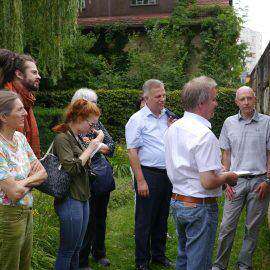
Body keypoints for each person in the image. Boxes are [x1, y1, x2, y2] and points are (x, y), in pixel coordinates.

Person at [164, 76, 238, 270]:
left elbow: (188, 165)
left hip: (178, 201)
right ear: (201, 103)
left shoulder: (174, 128)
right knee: (198, 264)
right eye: (214, 99)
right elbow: (208, 181)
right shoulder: (204, 135)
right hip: (199, 207)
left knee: (183, 258)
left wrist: (216, 171)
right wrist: (228, 177)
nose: (216, 103)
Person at [212, 86, 270, 270]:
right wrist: (224, 180)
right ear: (236, 102)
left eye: (249, 98)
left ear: (255, 100)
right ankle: (219, 265)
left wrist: (268, 181)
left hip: (259, 181)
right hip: (235, 181)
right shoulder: (229, 123)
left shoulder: (267, 122)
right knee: (226, 227)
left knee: (252, 228)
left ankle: (244, 265)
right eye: (242, 99)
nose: (246, 102)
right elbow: (226, 155)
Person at [125, 79, 174, 270]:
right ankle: (142, 261)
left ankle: (159, 256)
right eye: (158, 96)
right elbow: (132, 151)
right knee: (145, 221)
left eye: (164, 95)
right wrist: (140, 181)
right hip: (148, 175)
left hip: (166, 175)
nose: (162, 99)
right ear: (146, 98)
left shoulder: (168, 117)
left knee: (162, 218)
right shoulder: (137, 120)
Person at [52, 99, 104, 270]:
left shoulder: (76, 137)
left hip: (82, 196)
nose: (93, 128)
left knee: (76, 249)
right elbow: (71, 168)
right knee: (67, 251)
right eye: (91, 123)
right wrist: (90, 149)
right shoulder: (62, 138)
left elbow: (82, 162)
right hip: (70, 199)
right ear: (79, 118)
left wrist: (91, 147)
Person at [0, 90, 47, 270]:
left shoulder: (19, 138)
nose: (25, 113)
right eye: (19, 110)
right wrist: (32, 179)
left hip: (27, 210)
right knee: (9, 265)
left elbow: (43, 173)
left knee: (24, 264)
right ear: (4, 116)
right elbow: (13, 193)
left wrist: (24, 181)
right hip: (7, 215)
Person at [71, 88, 115, 269]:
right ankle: (82, 260)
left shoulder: (97, 124)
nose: (95, 106)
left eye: (95, 102)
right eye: (92, 102)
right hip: (84, 178)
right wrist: (95, 145)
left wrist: (95, 145)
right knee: (87, 220)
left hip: (101, 177)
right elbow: (78, 151)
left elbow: (111, 147)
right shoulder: (72, 125)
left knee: (100, 217)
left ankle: (99, 252)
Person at [4, 53, 41, 158]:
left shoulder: (26, 101)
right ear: (19, 74)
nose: (39, 76)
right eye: (34, 72)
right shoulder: (5, 101)